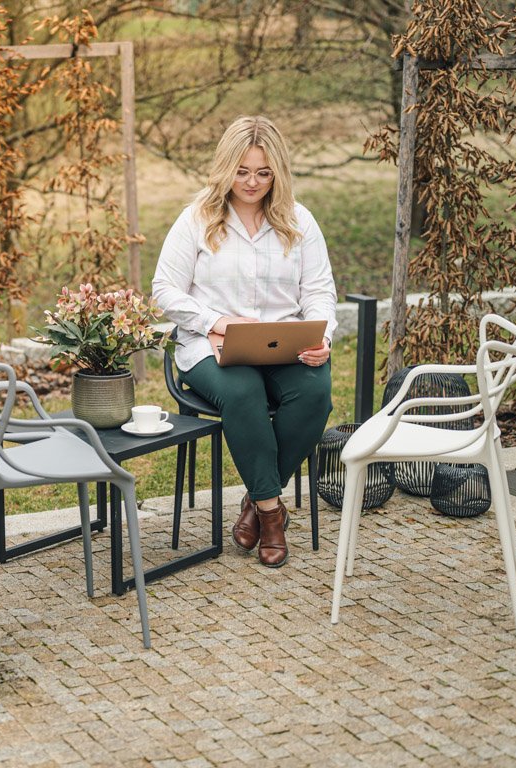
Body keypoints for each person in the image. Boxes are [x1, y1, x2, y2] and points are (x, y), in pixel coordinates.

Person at [152, 115, 337, 568]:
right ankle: (272, 514)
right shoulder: (197, 218)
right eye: (242, 171)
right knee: (243, 392)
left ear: (278, 173)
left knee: (315, 394)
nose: (252, 182)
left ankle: (255, 500)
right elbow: (164, 291)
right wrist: (217, 321)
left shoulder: (299, 221)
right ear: (225, 167)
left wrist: (323, 335)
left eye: (263, 173)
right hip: (210, 346)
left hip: (284, 344)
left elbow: (319, 291)